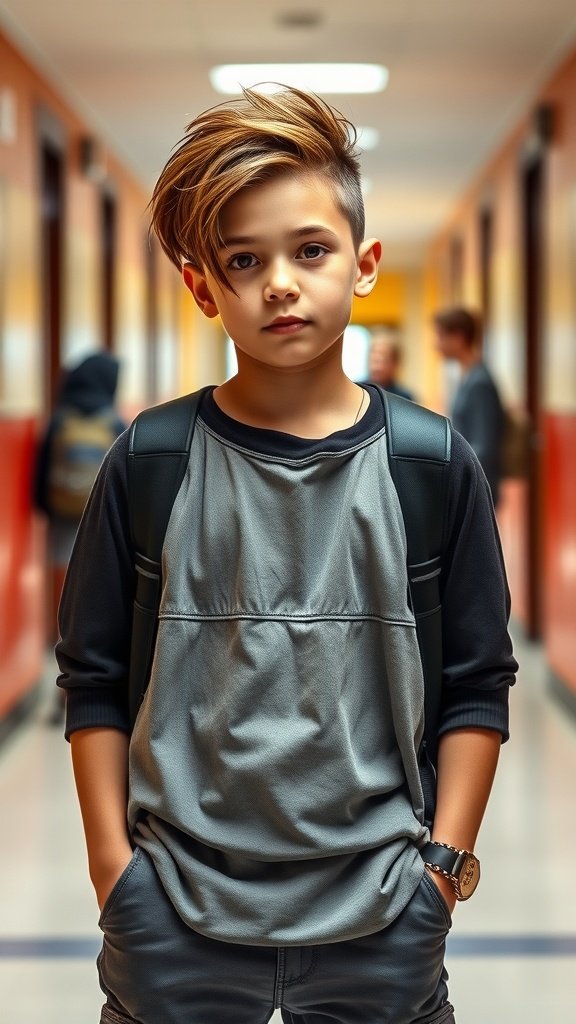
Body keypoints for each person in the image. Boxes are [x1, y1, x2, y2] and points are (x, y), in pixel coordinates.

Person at [56, 88, 517, 1024]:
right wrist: (116, 875)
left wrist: (440, 873)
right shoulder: (152, 461)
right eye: (242, 259)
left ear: (363, 265)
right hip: (176, 916)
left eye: (311, 250)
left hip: (382, 913)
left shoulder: (428, 465)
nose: (279, 282)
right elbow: (93, 678)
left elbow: (478, 681)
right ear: (202, 288)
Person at [433, 307, 504, 505]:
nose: (436, 344)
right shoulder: (468, 376)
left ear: (458, 337)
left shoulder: (479, 382)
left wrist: (458, 478)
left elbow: (483, 446)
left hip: (477, 488)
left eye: (440, 336)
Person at [365, 325, 415, 400]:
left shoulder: (404, 398)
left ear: (396, 364)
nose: (377, 367)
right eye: (374, 360)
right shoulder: (359, 391)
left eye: (384, 361)